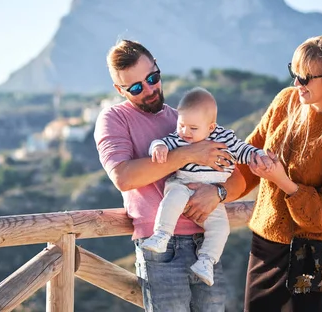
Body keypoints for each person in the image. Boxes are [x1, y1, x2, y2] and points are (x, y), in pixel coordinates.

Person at [94, 39, 246, 312]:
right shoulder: (113, 118)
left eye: (153, 78)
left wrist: (218, 193)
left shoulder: (186, 120)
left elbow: (236, 179)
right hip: (160, 247)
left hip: (207, 244)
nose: (150, 90)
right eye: (137, 87)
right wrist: (189, 154)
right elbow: (123, 176)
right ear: (119, 90)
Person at [235, 34, 322, 312]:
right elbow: (248, 155)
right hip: (266, 245)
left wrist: (284, 183)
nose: (296, 83)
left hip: (311, 254)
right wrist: (216, 192)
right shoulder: (286, 101)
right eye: (294, 72)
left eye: (306, 77)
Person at [142, 87, 268, 286]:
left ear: (211, 127)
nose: (185, 132)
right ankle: (161, 235)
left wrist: (258, 155)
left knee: (221, 228)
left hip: (211, 193)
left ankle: (206, 261)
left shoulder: (224, 138)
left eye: (193, 128)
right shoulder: (178, 138)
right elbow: (162, 141)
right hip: (183, 183)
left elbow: (243, 150)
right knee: (172, 200)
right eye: (181, 125)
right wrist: (158, 147)